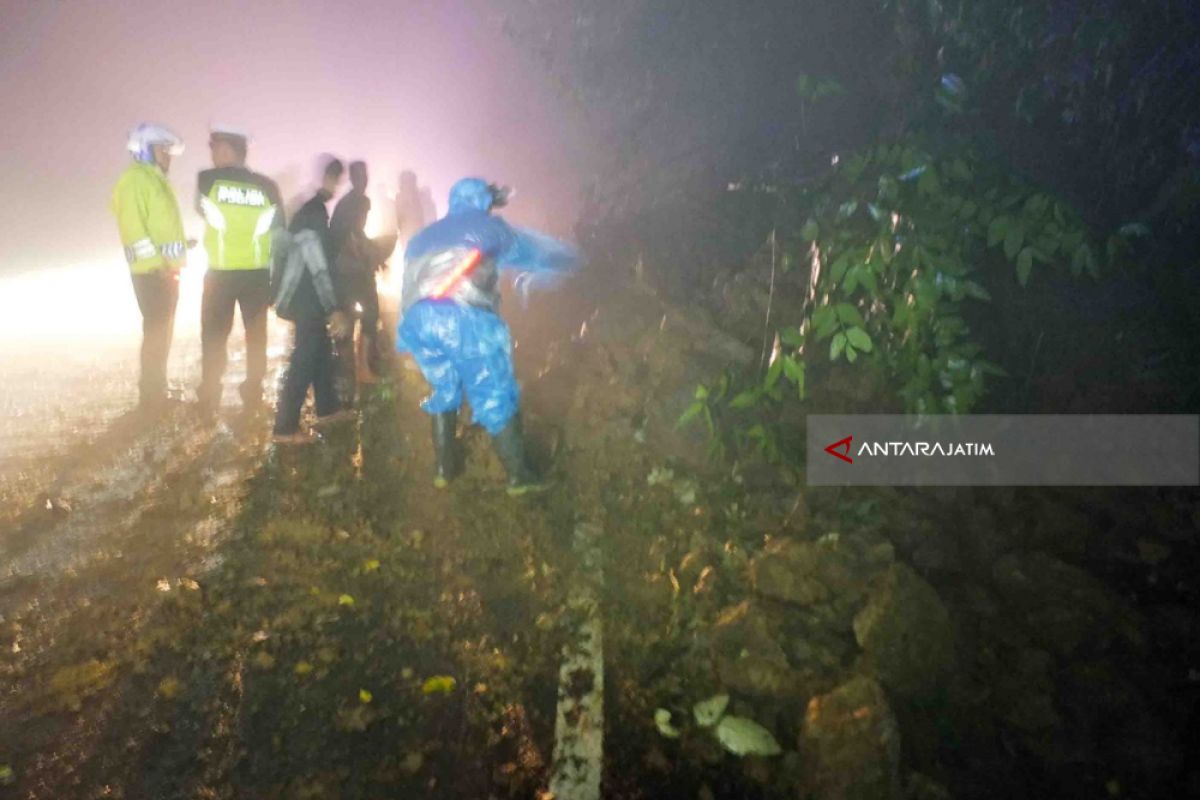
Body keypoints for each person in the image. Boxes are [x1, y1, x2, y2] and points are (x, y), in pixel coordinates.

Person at [397, 177, 579, 494]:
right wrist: (572, 260)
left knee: (444, 387)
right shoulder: (488, 228)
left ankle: (443, 468)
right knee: (493, 391)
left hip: (419, 323)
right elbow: (532, 252)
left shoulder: (422, 237)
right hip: (464, 321)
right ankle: (519, 476)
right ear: (482, 201)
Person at [195, 125, 284, 416]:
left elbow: (201, 208)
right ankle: (253, 392)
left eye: (215, 149)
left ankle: (209, 394)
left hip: (221, 274)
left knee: (214, 337)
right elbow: (280, 232)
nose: (211, 156)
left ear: (226, 150)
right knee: (256, 339)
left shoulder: (208, 181)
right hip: (257, 275)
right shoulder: (268, 187)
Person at [271, 157, 355, 443]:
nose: (338, 186)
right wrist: (333, 308)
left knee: (319, 347)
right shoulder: (313, 211)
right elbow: (317, 263)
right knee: (305, 355)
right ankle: (284, 427)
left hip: (301, 292)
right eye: (336, 179)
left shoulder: (306, 206)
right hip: (305, 294)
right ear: (325, 179)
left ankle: (327, 408)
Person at [110, 123, 190, 411]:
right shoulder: (135, 181)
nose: (168, 156)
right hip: (151, 272)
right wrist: (157, 264)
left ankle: (157, 391)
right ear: (146, 150)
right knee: (156, 333)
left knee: (162, 332)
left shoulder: (152, 180)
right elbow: (133, 228)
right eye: (163, 150)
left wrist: (181, 245)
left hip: (164, 270)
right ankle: (151, 397)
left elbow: (160, 225)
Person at [330, 160, 390, 385]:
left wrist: (373, 256)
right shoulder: (352, 203)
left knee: (364, 316)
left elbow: (358, 235)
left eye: (365, 175)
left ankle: (356, 370)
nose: (363, 180)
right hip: (349, 271)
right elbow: (348, 237)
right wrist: (369, 258)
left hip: (351, 270)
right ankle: (356, 371)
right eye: (359, 175)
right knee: (361, 317)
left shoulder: (356, 202)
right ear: (353, 178)